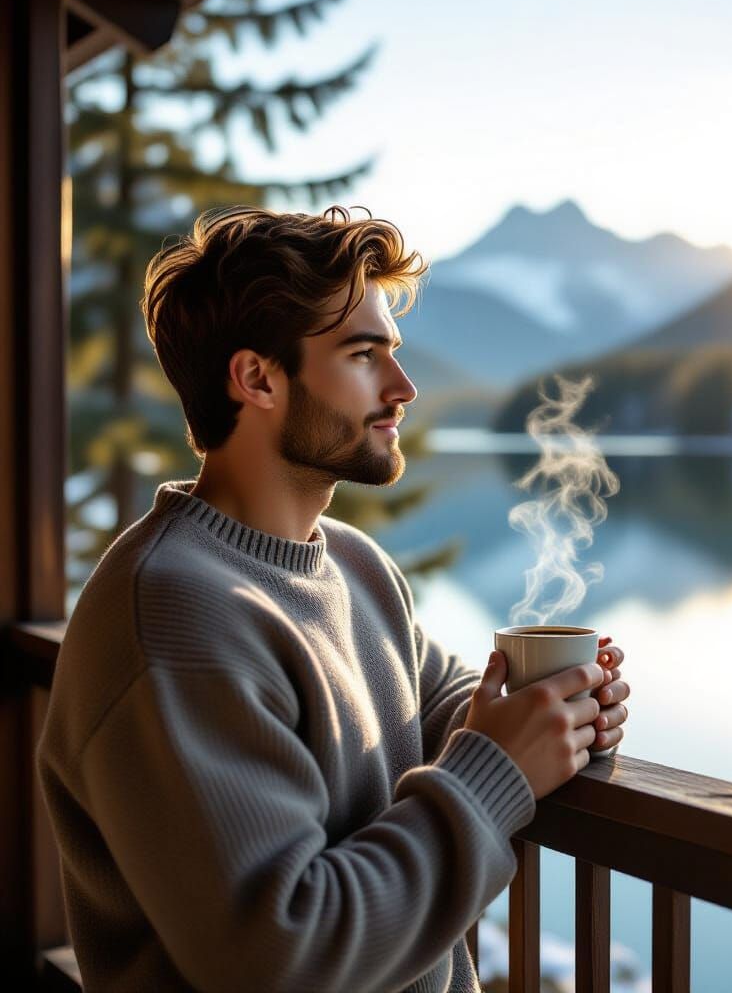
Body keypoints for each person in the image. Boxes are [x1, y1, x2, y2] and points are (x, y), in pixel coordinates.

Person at [36, 205, 630, 992]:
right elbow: (282, 953)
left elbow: (445, 705)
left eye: (395, 352)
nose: (404, 386)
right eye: (363, 355)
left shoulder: (354, 565)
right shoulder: (174, 614)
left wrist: (561, 710)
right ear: (257, 379)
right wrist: (494, 775)